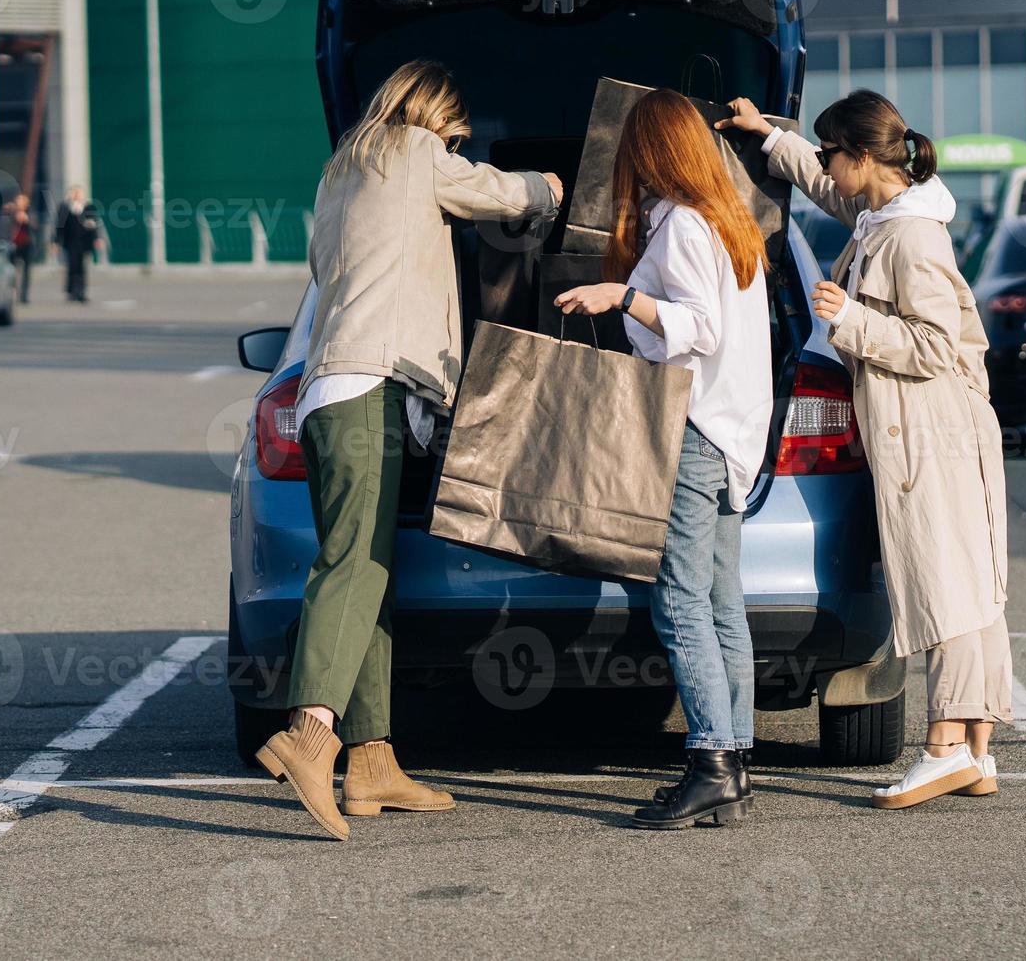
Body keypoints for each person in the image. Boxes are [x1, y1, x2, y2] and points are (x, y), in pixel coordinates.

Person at [257, 59, 564, 841]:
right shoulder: (413, 151)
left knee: (368, 569)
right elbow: (495, 192)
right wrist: (553, 188)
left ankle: (373, 762)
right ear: (436, 116)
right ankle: (309, 734)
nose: (455, 145)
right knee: (354, 563)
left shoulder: (342, 173)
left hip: (328, 391)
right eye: (454, 133)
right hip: (370, 389)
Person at [717, 89, 1011, 810]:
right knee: (966, 586)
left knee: (948, 588)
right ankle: (974, 748)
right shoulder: (886, 211)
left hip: (934, 427)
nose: (823, 166)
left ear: (865, 157)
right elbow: (826, 190)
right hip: (924, 424)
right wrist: (769, 136)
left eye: (830, 152)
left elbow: (938, 347)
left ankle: (944, 748)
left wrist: (850, 320)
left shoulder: (914, 239)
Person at [555, 88, 772, 830]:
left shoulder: (682, 225)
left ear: (652, 152)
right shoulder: (731, 222)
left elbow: (697, 330)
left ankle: (712, 762)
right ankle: (737, 763)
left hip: (695, 429)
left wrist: (621, 295)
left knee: (677, 602)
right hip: (735, 431)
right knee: (720, 601)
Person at [53, 186, 100, 303]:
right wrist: (56, 242)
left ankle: (82, 291)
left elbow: (95, 225)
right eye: (76, 194)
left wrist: (97, 239)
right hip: (70, 242)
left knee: (82, 267)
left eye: (80, 194)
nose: (78, 196)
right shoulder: (65, 208)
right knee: (72, 266)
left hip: (84, 242)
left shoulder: (88, 207)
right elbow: (59, 227)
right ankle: (72, 291)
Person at [0, 193, 37, 303]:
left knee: (26, 272)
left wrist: (27, 220)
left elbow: (35, 227)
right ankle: (11, 293)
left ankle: (24, 295)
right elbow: (1, 225)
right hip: (13, 245)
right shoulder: (10, 212)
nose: (20, 204)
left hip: (26, 245)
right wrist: (6, 212)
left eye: (22, 202)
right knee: (11, 270)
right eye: (18, 201)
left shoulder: (30, 213)